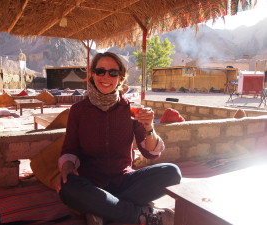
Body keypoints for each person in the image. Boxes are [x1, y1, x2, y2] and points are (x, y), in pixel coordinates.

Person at [57, 52, 181, 225]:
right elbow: (70, 149)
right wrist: (67, 168)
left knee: (172, 172)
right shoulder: (78, 110)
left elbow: (150, 153)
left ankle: (103, 208)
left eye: (113, 72)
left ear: (120, 77)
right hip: (91, 183)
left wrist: (148, 127)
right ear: (92, 74)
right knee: (68, 187)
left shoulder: (130, 108)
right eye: (100, 71)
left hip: (124, 180)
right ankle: (138, 214)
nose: (106, 76)